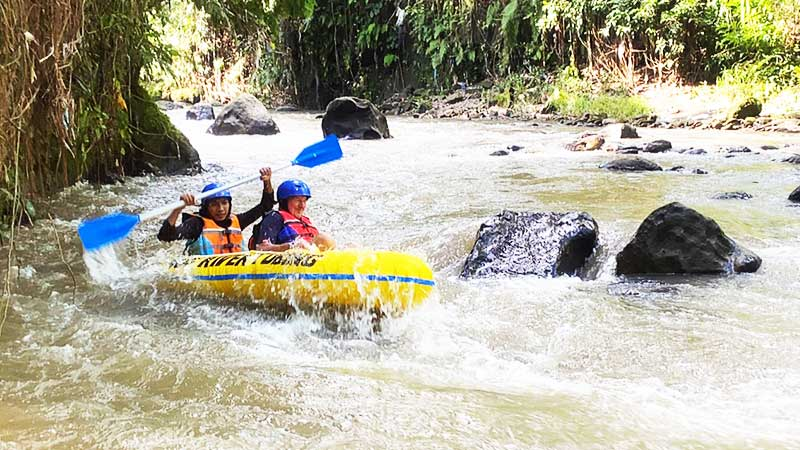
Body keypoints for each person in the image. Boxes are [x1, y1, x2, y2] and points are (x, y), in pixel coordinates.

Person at [158, 167, 275, 255]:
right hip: (205, 275)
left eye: (224, 203)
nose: (220, 209)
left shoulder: (238, 221)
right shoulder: (196, 224)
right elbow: (166, 235)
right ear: (206, 207)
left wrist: (267, 182)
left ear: (229, 204)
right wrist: (178, 209)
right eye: (214, 204)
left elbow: (266, 206)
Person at [252, 179, 336, 252]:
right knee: (323, 238)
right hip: (286, 264)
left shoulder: (306, 221)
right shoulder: (275, 218)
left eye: (304, 201)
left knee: (325, 240)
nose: (302, 206)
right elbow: (261, 248)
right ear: (284, 202)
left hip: (312, 261)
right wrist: (290, 247)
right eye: (298, 201)